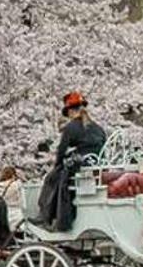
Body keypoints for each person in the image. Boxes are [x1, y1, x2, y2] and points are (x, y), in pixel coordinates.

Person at [37, 92, 107, 231]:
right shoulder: (98, 128)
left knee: (51, 179)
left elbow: (61, 151)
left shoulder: (71, 128)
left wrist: (57, 166)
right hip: (96, 168)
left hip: (80, 168)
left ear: (70, 111)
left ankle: (45, 216)